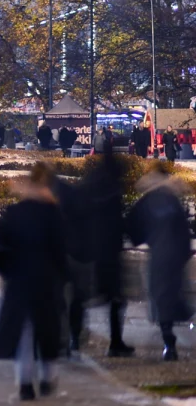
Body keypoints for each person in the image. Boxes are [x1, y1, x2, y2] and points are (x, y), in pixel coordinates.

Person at [0, 162, 66, 401]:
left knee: (24, 335)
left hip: (20, 283)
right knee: (48, 333)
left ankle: (24, 383)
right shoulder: (53, 213)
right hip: (47, 282)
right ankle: (48, 378)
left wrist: (8, 272)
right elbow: (62, 250)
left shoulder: (15, 212)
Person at [127, 164, 193, 361]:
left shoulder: (149, 199)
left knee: (161, 295)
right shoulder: (172, 199)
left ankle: (168, 341)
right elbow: (183, 229)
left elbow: (132, 225)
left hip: (159, 255)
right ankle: (169, 338)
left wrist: (144, 238)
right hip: (175, 255)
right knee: (171, 295)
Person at [82, 151, 134, 357]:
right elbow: (116, 221)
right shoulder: (112, 190)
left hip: (92, 247)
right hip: (110, 250)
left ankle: (75, 336)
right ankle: (115, 342)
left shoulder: (92, 184)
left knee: (87, 294)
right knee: (115, 298)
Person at [49, 166, 91, 353]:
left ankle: (62, 337)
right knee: (77, 300)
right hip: (79, 255)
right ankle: (74, 336)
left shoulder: (52, 203)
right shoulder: (77, 199)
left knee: (58, 299)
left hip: (61, 256)